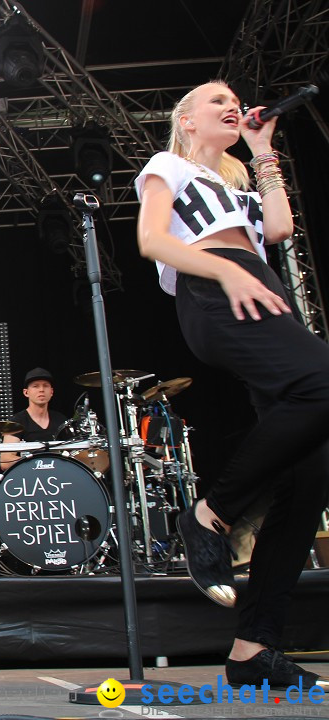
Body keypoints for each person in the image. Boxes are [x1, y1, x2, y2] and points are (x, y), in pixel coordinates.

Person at [136, 80, 329, 688]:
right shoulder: (167, 164)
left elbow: (277, 230)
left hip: (258, 287)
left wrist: (263, 149)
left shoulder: (235, 179)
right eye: (215, 101)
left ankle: (252, 649)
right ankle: (210, 513)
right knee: (324, 385)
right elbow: (152, 239)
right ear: (186, 120)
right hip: (216, 289)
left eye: (234, 100)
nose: (231, 105)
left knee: (310, 476)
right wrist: (224, 270)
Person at [0, 367, 67, 471]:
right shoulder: (16, 421)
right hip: (29, 478)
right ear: (26, 392)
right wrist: (38, 462)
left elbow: (73, 454)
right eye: (35, 386)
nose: (41, 390)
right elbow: (5, 460)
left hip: (59, 475)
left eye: (45, 386)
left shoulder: (61, 420)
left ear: (52, 392)